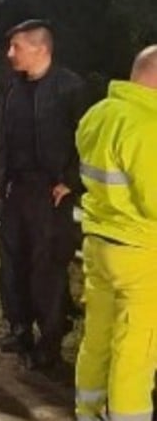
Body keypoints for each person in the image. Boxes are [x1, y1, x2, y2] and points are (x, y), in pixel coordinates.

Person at [0, 19, 88, 372]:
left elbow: (87, 142)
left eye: (16, 47)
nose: (9, 54)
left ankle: (50, 342)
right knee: (12, 263)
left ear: (40, 49)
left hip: (51, 193)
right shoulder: (14, 87)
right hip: (17, 189)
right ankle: (18, 329)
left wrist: (71, 181)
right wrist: (0, 174)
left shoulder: (69, 88)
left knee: (46, 269)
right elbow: (5, 137)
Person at [73, 45, 157, 421]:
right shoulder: (147, 126)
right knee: (135, 351)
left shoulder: (99, 113)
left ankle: (87, 410)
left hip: (98, 242)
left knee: (97, 340)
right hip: (140, 253)